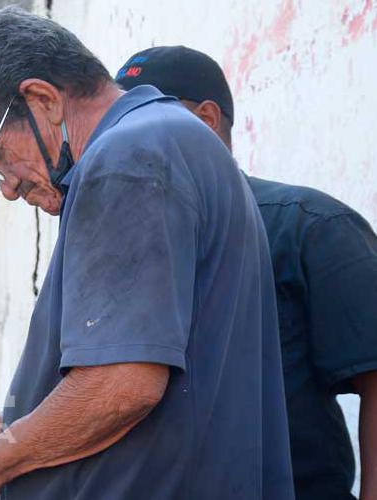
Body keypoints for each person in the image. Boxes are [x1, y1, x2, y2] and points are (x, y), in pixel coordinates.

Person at [0, 7, 294, 499]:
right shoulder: (168, 139)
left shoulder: (125, 160)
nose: (8, 187)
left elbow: (120, 385)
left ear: (42, 100)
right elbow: (73, 406)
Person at [116, 45, 377, 500]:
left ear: (205, 119)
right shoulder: (124, 245)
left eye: (143, 120)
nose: (124, 141)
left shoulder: (309, 226)